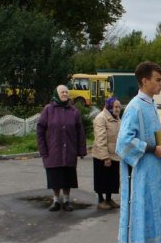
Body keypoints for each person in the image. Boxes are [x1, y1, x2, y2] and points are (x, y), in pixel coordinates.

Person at [116, 62, 161, 243]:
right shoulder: (134, 107)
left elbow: (153, 135)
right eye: (158, 80)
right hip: (140, 175)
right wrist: (152, 149)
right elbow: (123, 143)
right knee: (140, 217)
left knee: (153, 216)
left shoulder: (150, 105)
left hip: (154, 172)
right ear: (144, 81)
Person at [37, 84, 86, 212]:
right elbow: (40, 130)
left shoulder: (74, 111)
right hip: (53, 150)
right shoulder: (48, 110)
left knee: (67, 177)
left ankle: (66, 200)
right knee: (55, 177)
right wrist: (43, 149)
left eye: (66, 92)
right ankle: (55, 201)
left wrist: (81, 150)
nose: (65, 94)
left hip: (69, 150)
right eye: (62, 92)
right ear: (56, 94)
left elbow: (80, 132)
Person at [92, 96, 122, 210]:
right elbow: (100, 139)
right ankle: (100, 200)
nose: (117, 109)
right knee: (101, 178)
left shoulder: (117, 118)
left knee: (111, 178)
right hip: (102, 155)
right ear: (109, 106)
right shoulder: (101, 118)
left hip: (114, 153)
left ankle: (109, 199)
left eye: (119, 106)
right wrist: (105, 157)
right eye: (115, 106)